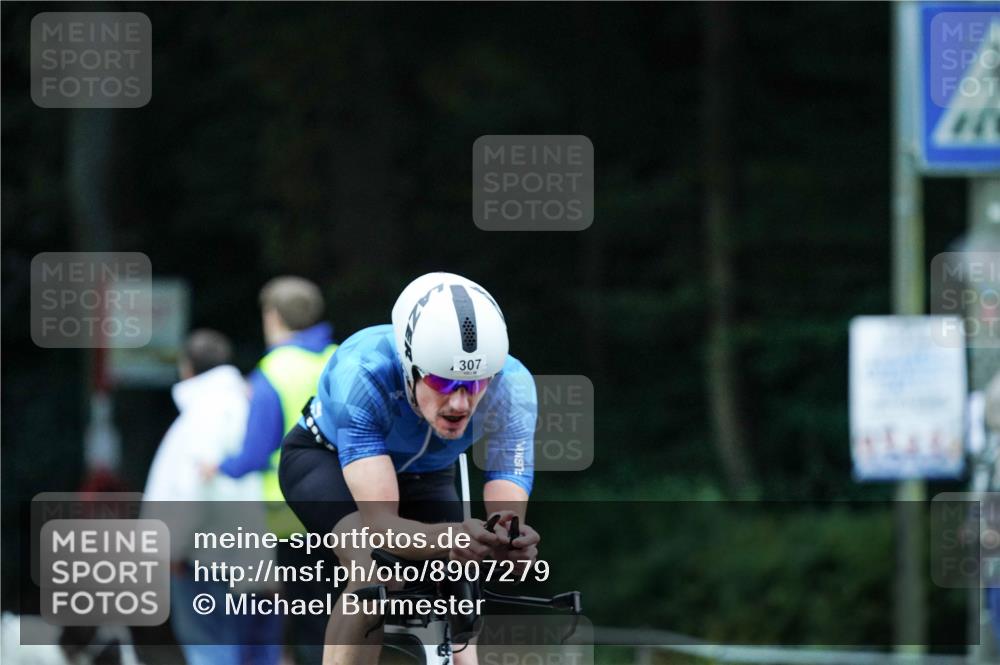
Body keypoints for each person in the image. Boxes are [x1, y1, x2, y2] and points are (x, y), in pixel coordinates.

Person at [278, 272, 540, 665]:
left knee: (461, 587)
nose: (460, 403)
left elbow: (506, 506)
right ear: (409, 364)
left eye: (475, 382)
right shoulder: (363, 369)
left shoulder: (513, 385)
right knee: (373, 569)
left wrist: (508, 539)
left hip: (428, 473)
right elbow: (381, 526)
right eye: (442, 381)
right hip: (325, 459)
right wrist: (455, 535)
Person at [208, 276, 337, 663]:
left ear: (274, 317)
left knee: (303, 616)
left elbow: (253, 453)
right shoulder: (341, 358)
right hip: (346, 507)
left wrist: (221, 466)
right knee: (339, 608)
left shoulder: (273, 371)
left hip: (289, 514)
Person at [143, 329, 280, 665]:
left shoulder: (202, 417)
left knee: (208, 648)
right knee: (256, 653)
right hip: (256, 556)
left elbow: (192, 490)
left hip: (204, 559)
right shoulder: (249, 404)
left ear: (186, 367)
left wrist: (172, 549)